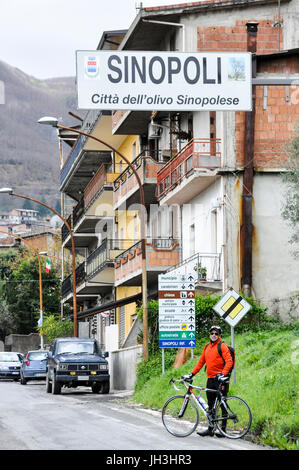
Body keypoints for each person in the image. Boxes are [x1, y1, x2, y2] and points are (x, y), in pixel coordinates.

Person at [184, 325, 233, 438]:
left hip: (220, 380)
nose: (214, 335)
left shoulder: (223, 346)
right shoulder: (206, 347)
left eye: (216, 333)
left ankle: (223, 430)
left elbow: (229, 361)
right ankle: (211, 429)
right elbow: (201, 362)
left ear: (220, 335)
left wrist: (223, 374)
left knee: (222, 403)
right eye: (212, 333)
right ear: (210, 335)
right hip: (210, 379)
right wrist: (192, 373)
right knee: (210, 405)